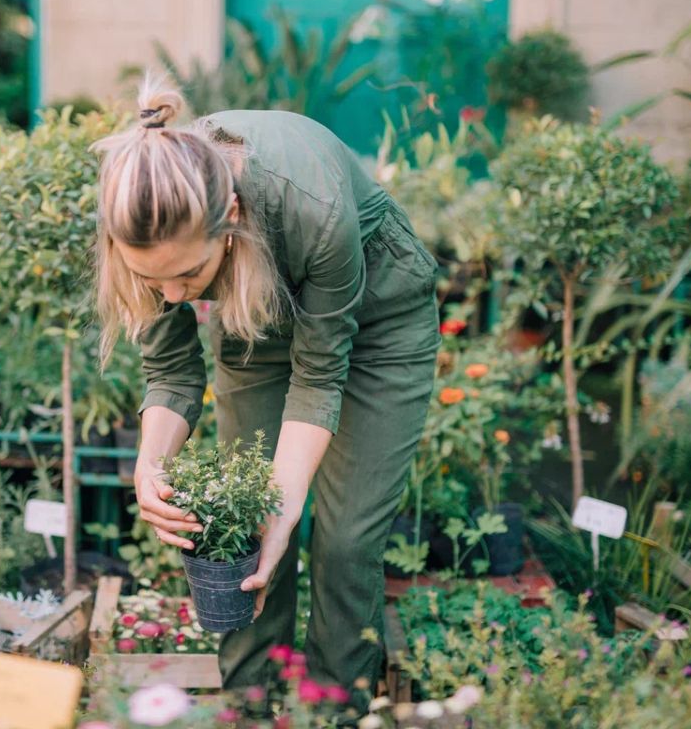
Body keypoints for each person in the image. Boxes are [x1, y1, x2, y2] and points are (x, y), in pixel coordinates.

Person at [91, 80, 441, 690]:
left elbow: (321, 373)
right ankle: (248, 705)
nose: (173, 296)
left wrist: (286, 505)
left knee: (343, 541)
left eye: (187, 275)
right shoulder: (141, 218)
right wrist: (151, 464)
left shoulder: (311, 203)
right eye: (155, 280)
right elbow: (170, 371)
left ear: (228, 216)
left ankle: (336, 705)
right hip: (256, 321)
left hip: (380, 327)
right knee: (245, 524)